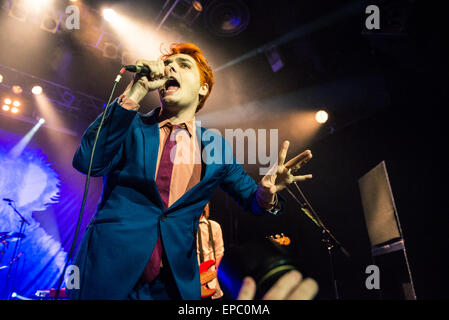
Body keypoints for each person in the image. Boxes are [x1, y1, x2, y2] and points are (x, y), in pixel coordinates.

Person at [70, 42, 313, 300]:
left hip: (173, 282)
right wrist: (137, 89)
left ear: (203, 88)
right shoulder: (130, 124)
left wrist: (267, 193)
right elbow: (87, 161)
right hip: (109, 268)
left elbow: (253, 201)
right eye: (167, 65)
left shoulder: (216, 147)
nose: (171, 67)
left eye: (183, 65)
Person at [196, 203, 224, 299]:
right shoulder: (184, 228)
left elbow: (219, 252)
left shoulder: (214, 226)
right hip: (193, 282)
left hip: (212, 281)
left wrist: (215, 272)